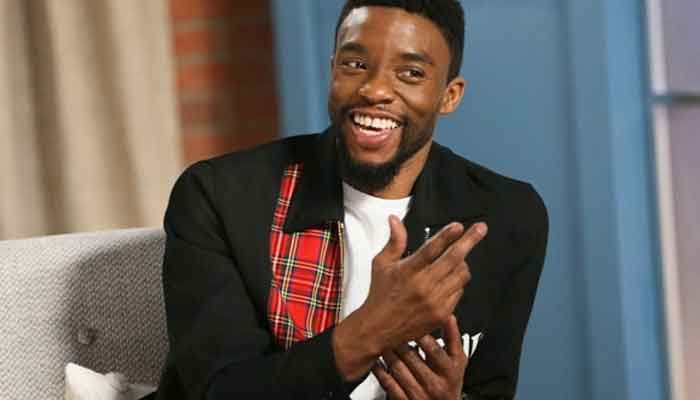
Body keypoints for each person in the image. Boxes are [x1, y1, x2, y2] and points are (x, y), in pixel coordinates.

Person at [154, 0, 548, 399]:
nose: (374, 90)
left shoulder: (507, 216)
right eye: (355, 64)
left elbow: (489, 388)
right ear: (333, 70)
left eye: (411, 73)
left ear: (449, 95)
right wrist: (372, 330)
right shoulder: (221, 197)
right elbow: (218, 390)